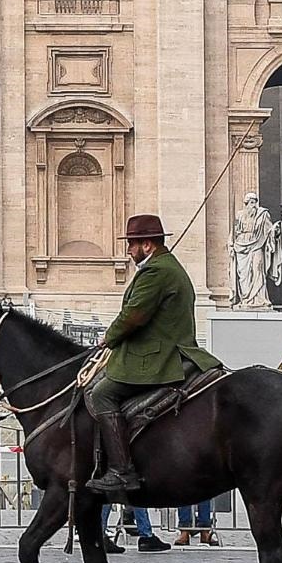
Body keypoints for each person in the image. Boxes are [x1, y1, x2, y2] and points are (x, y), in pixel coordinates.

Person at [83, 212, 220, 501]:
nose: (129, 250)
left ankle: (122, 469)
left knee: (102, 394)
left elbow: (133, 316)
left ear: (147, 245)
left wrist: (107, 338)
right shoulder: (165, 266)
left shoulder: (156, 271)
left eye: (132, 244)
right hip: (169, 348)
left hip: (159, 356)